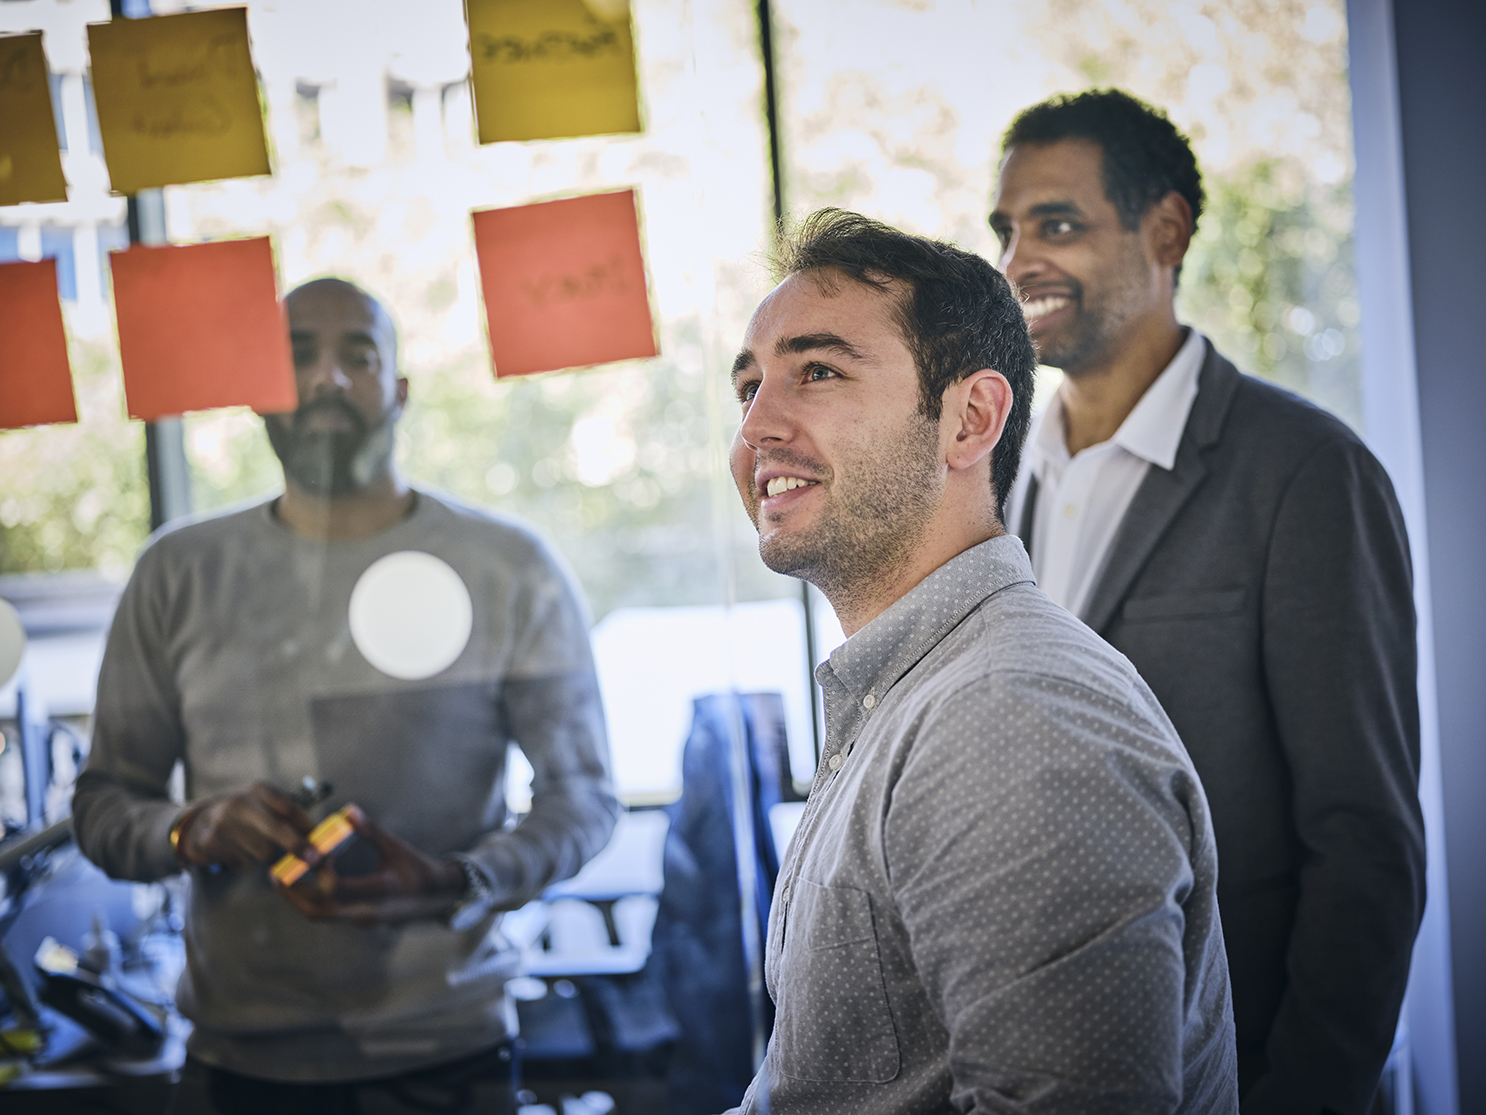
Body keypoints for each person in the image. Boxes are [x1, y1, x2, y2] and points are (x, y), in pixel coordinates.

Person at [724, 208, 1237, 1113]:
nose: (757, 425)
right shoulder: (919, 695)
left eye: (818, 371)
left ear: (970, 419)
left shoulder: (1013, 714)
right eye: (748, 388)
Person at [72, 278, 619, 1114]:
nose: (327, 377)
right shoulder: (176, 574)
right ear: (261, 393)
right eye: (298, 355)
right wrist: (193, 827)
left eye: (357, 355)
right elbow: (105, 802)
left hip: (448, 1050)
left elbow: (584, 798)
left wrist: (459, 878)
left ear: (398, 391)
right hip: (236, 1062)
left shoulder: (510, 567)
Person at [990, 89, 1425, 1113]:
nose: (1016, 263)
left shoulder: (1305, 471)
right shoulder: (995, 481)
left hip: (1231, 1065)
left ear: (1167, 230)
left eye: (1056, 223)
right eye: (1005, 230)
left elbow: (1363, 841)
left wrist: (1298, 1094)